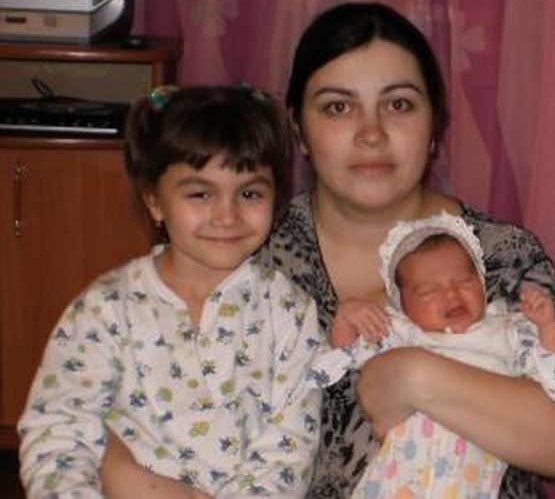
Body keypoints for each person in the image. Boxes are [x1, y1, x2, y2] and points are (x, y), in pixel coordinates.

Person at [100, 1, 555, 499]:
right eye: (338, 107)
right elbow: (125, 424)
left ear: (435, 126)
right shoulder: (243, 250)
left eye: (399, 104)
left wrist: (413, 376)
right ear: (299, 129)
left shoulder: (499, 254)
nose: (371, 134)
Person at [17, 85, 324, 499]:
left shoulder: (289, 311)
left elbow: (288, 451)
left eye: (250, 193)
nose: (227, 215)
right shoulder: (105, 308)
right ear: (154, 201)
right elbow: (59, 431)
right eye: (200, 193)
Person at [308, 212, 555, 498]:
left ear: (482, 283)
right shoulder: (402, 333)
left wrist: (548, 328)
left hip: (470, 483)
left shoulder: (507, 330)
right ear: (402, 306)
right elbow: (330, 369)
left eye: (464, 281)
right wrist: (346, 319)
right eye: (428, 292)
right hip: (396, 479)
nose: (451, 294)